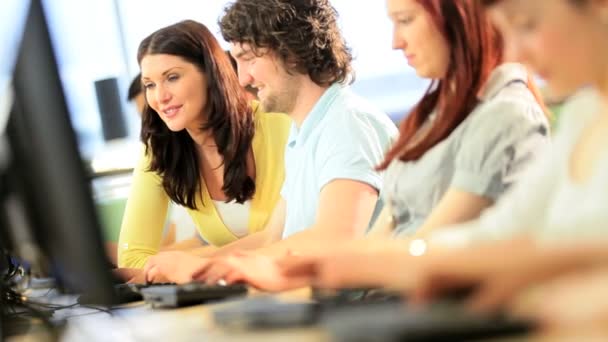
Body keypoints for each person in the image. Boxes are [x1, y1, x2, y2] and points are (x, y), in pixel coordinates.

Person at [267, 0, 608, 322]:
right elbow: (500, 232)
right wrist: (339, 263)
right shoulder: (583, 114)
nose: (515, 53)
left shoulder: (509, 113)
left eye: (527, 26)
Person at [172, 0, 550, 286]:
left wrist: (280, 269)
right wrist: (216, 265)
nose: (395, 42)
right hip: (381, 293)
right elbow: (381, 235)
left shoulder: (349, 124)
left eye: (405, 20)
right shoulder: (430, 118)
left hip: (400, 296)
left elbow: (404, 244)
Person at [142, 0, 398, 283]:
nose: (242, 79)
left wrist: (209, 269)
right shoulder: (303, 133)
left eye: (249, 58)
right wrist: (196, 265)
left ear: (292, 51)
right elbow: (271, 238)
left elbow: (334, 239)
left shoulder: (346, 124)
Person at [116, 20, 292, 269]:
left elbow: (292, 235)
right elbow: (132, 258)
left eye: (172, 77)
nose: (160, 97)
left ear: (211, 74)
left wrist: (191, 264)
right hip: (235, 293)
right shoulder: (161, 149)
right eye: (150, 85)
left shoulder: (279, 123)